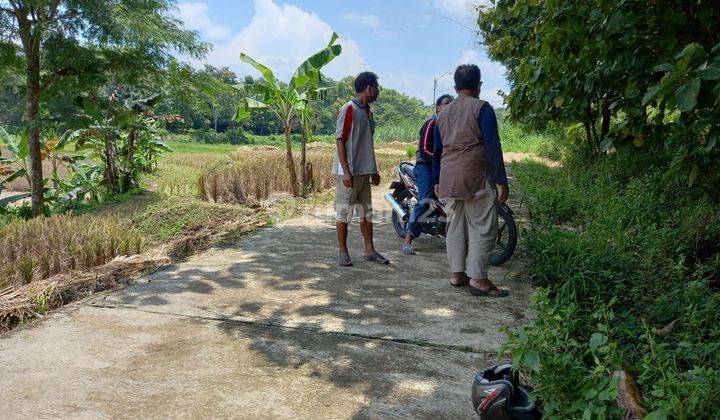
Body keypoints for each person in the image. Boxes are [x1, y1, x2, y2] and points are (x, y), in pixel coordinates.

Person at [432, 64, 510, 297]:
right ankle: (479, 280)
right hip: (476, 177)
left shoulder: (441, 114)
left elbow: (437, 151)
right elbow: (493, 147)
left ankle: (457, 275)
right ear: (479, 86)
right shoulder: (482, 108)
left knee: (454, 227)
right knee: (482, 228)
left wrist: (437, 179)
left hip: (449, 177)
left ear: (455, 87)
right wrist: (500, 180)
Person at [333, 71, 389, 267]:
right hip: (348, 174)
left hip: (364, 173)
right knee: (344, 213)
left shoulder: (367, 112)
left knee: (366, 214)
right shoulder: (348, 109)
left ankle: (369, 250)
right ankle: (343, 251)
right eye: (376, 88)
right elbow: (340, 140)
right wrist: (346, 171)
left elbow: (366, 143)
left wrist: (373, 170)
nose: (378, 92)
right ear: (369, 88)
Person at [401, 94, 453, 255]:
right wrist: (440, 159)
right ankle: (408, 238)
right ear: (438, 107)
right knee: (425, 200)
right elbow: (424, 148)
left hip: (441, 167)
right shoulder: (432, 123)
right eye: (446, 104)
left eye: (452, 104)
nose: (449, 106)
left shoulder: (450, 127)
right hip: (425, 166)